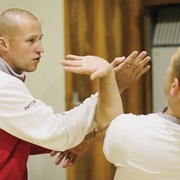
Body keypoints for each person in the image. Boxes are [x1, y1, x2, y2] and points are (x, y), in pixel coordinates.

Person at [0, 8, 150, 179]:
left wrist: (82, 138)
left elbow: (22, 135)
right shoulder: (3, 85)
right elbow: (56, 131)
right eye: (31, 41)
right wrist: (110, 84)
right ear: (3, 44)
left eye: (40, 39)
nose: (40, 49)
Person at [102, 47, 180, 180]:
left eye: (170, 66)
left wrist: (110, 81)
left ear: (175, 86)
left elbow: (105, 127)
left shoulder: (133, 134)